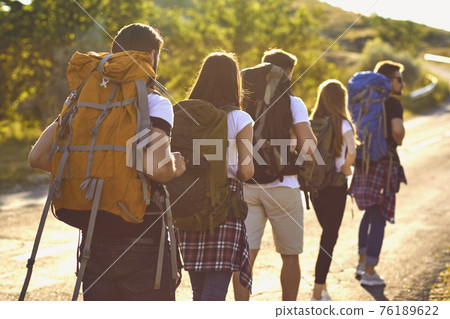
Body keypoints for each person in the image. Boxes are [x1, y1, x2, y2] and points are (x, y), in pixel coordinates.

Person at [28, 23, 186, 300]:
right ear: (152, 55)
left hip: (92, 234)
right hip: (141, 233)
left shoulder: (82, 101)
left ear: (113, 54)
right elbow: (157, 169)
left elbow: (38, 157)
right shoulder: (155, 103)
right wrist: (176, 166)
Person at [233, 49, 316, 301]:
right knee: (290, 255)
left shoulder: (241, 100)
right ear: (287, 73)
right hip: (284, 185)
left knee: (245, 255)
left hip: (246, 183)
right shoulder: (293, 102)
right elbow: (310, 148)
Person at [175, 52, 255, 301]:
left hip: (188, 203)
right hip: (224, 206)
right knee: (215, 291)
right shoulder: (239, 118)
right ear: (234, 81)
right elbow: (246, 171)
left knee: (199, 290)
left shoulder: (185, 114)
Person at [350, 60, 407, 286]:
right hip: (384, 163)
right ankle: (370, 273)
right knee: (379, 216)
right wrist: (398, 140)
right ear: (388, 80)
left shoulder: (365, 100)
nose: (402, 83)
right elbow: (397, 130)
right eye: (399, 79)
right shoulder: (392, 103)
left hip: (364, 161)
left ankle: (362, 263)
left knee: (369, 213)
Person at [308, 80, 357, 301]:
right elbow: (353, 153)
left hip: (316, 187)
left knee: (326, 234)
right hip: (335, 187)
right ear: (341, 100)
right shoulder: (344, 124)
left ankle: (322, 285)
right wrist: (346, 169)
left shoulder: (311, 123)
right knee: (329, 236)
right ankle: (318, 290)